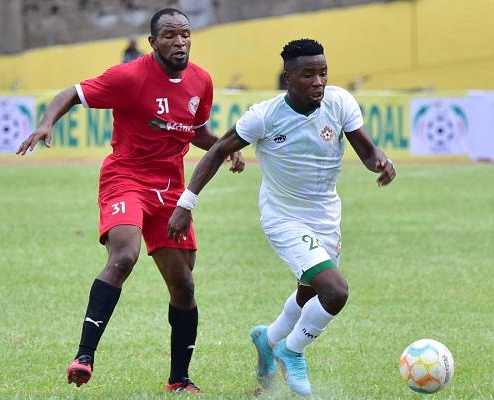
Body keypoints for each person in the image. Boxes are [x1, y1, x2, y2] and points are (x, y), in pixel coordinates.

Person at [16, 8, 244, 394]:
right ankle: (84, 357)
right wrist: (46, 122)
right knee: (124, 256)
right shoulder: (129, 76)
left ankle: (179, 380)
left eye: (185, 34)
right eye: (170, 36)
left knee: (184, 286)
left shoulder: (201, 81)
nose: (180, 42)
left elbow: (196, 132)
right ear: (153, 42)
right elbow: (72, 93)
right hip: (126, 179)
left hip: (170, 191)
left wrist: (225, 148)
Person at [167, 38, 396, 396]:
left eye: (323, 73)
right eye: (309, 75)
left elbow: (367, 151)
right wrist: (186, 202)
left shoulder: (339, 103)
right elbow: (218, 150)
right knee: (335, 291)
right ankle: (291, 350)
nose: (319, 82)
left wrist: (380, 161)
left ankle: (268, 339)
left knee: (309, 293)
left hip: (326, 218)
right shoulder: (265, 116)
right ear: (288, 79)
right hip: (284, 219)